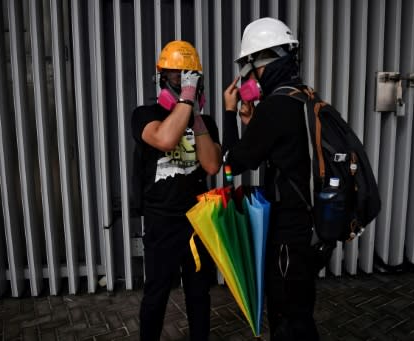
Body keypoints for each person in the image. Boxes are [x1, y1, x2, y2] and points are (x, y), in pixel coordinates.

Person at [222, 17, 322, 340]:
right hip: (308, 229)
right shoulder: (303, 96)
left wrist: (229, 112)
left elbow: (232, 163)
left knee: (288, 319)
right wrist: (253, 122)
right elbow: (280, 153)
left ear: (262, 61)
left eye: (250, 67)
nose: (249, 77)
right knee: (301, 310)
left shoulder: (274, 106)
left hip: (286, 236)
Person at [131, 40, 222, 341]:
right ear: (162, 77)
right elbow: (166, 139)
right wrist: (185, 100)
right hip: (161, 222)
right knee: (156, 293)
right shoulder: (145, 115)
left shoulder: (203, 121)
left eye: (188, 76)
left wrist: (194, 113)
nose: (182, 83)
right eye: (175, 76)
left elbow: (211, 165)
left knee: (198, 293)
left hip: (196, 221)